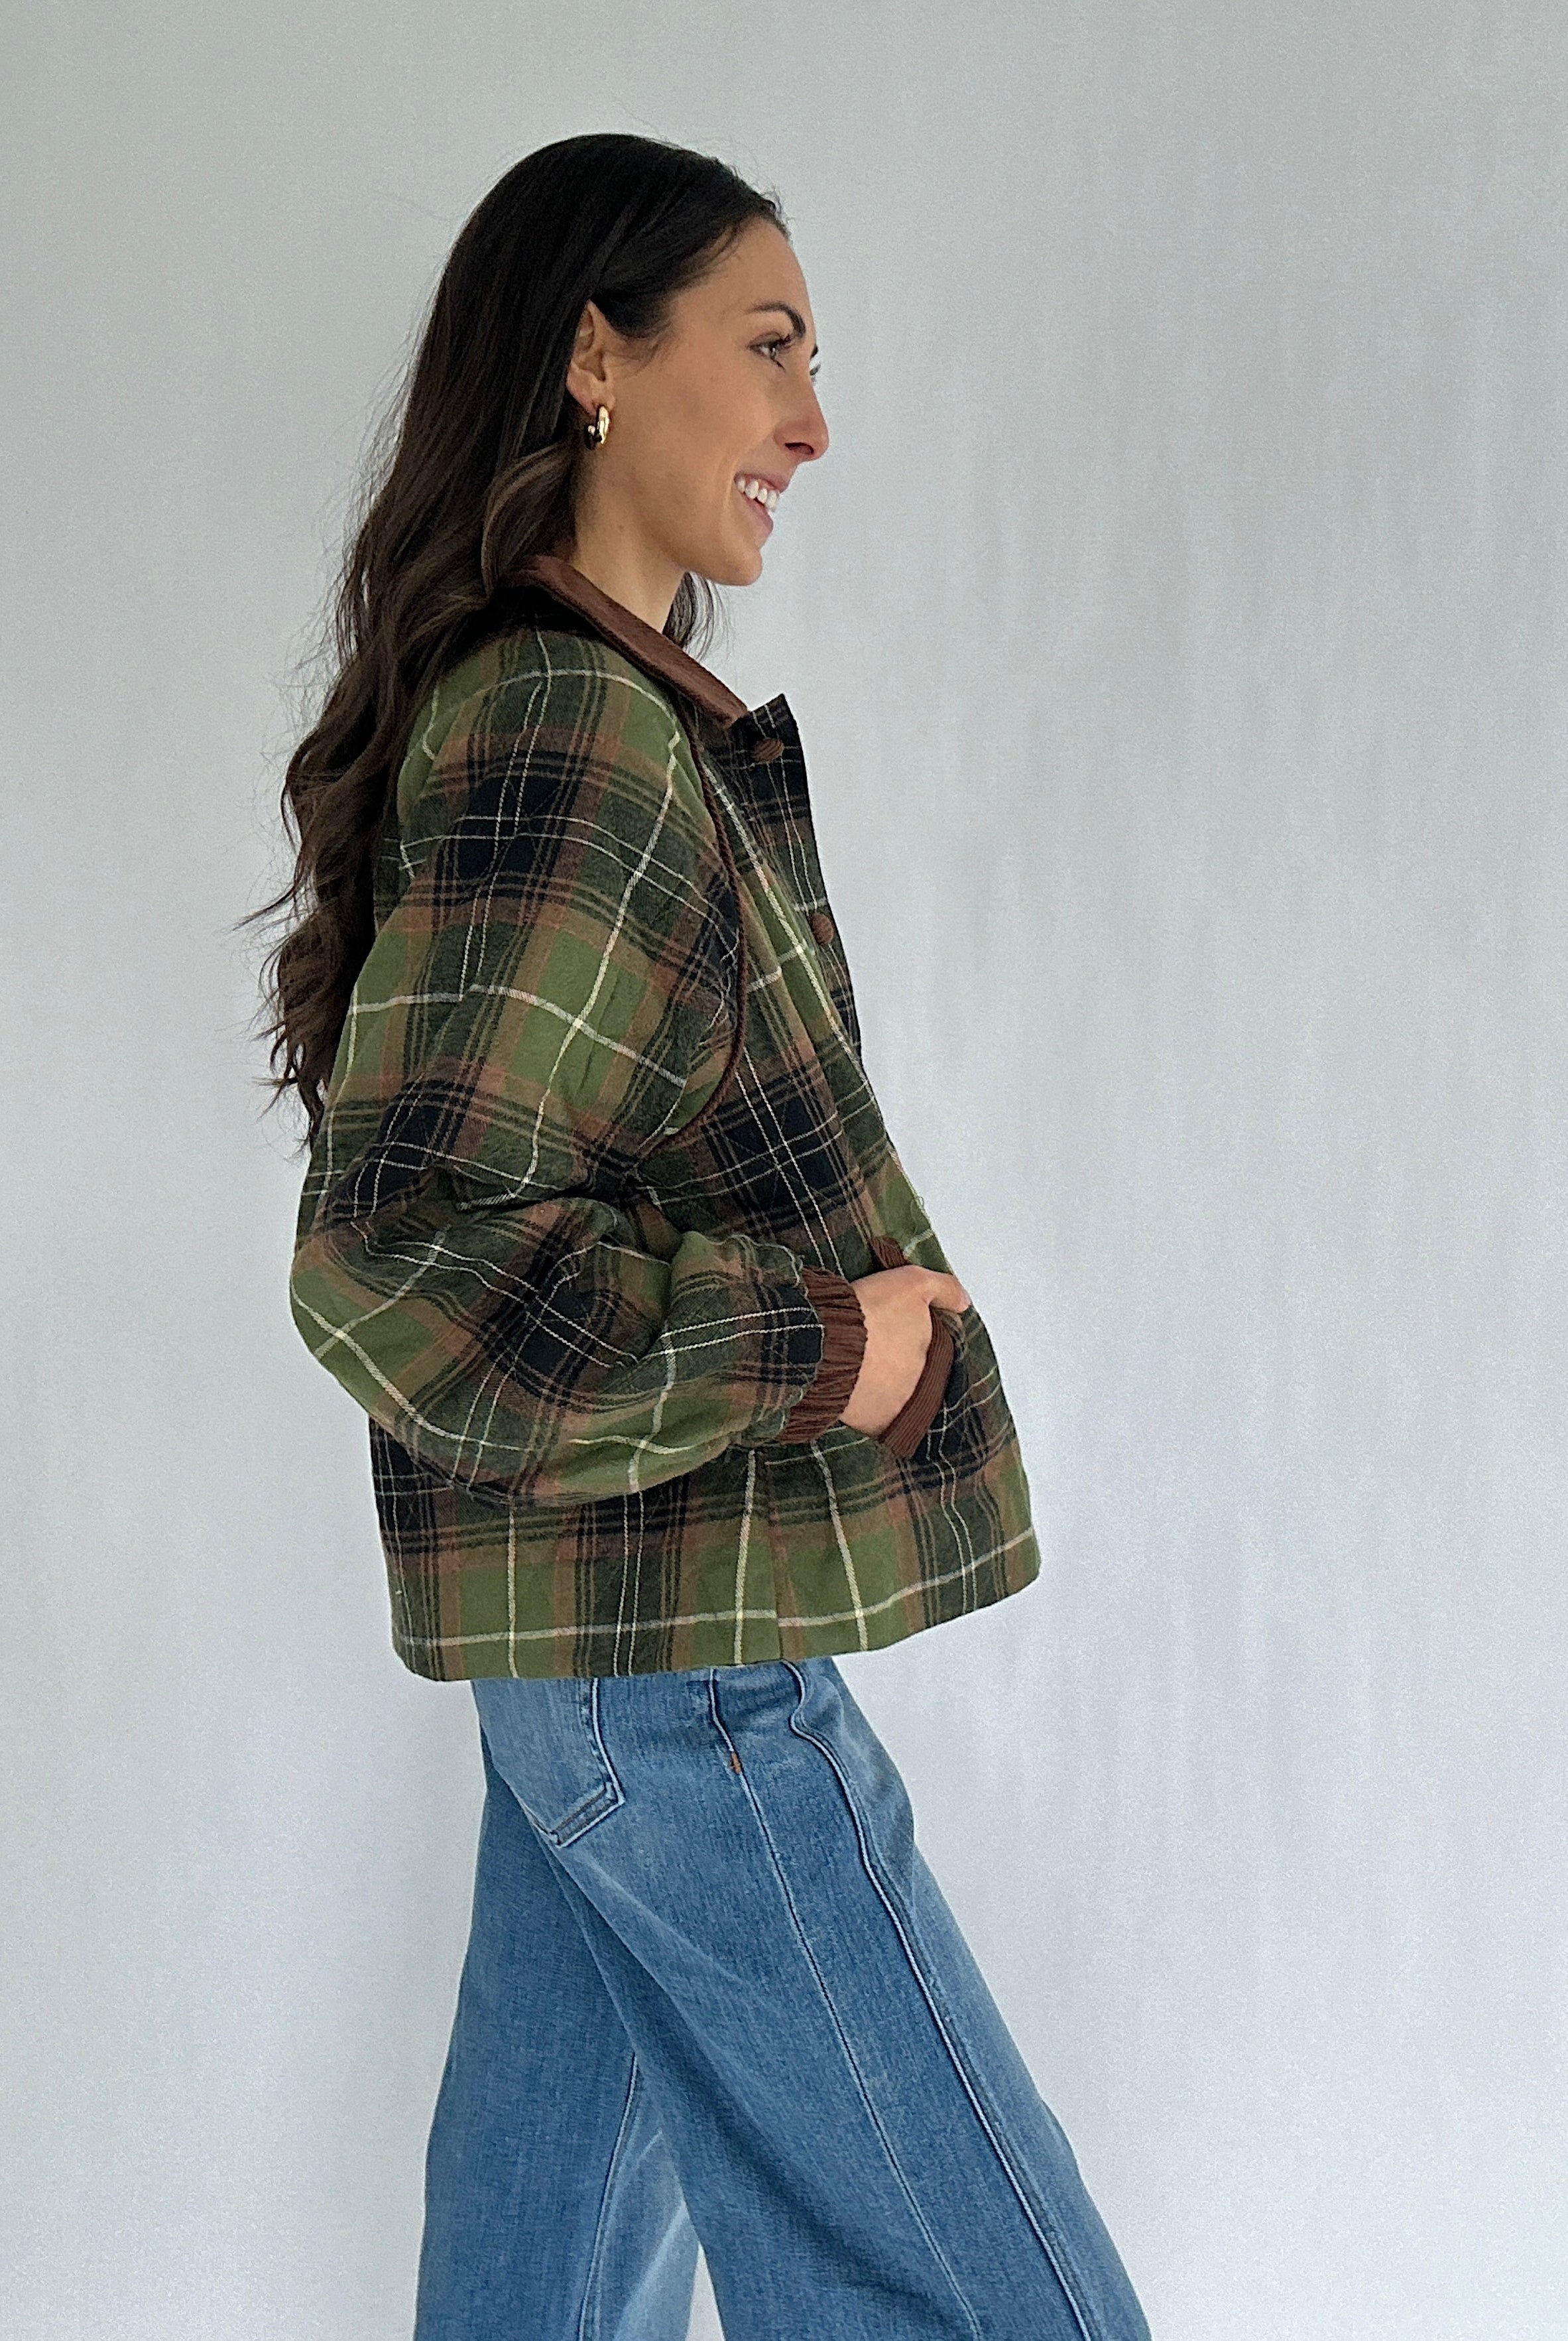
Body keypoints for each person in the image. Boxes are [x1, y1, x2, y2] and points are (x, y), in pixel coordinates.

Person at [254, 131, 1150, 2341]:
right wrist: (814, 1345)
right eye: (768, 350)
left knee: (542, 2294)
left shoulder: (576, 704)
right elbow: (399, 1252)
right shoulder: (567, 722)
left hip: (596, 1663)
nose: (813, 422)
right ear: (591, 353)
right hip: (677, 1670)